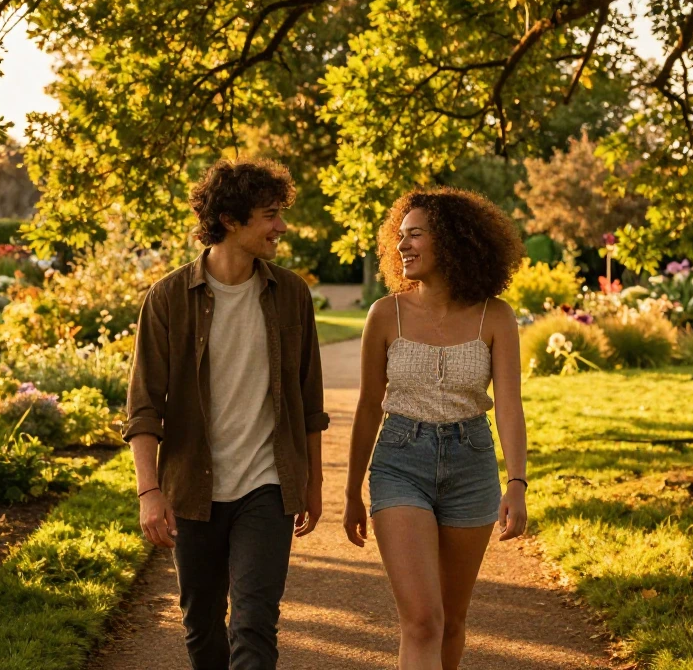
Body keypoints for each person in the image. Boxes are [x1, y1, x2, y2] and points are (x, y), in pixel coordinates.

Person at [124, 158, 327, 670]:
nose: (280, 226)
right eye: (270, 215)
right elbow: (144, 405)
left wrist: (313, 481)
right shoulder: (169, 297)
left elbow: (309, 401)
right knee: (201, 623)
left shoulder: (291, 294)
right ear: (232, 220)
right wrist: (150, 492)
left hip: (267, 484)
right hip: (193, 488)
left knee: (254, 622)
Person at [342, 187, 529, 669]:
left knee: (452, 620)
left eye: (416, 235)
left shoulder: (496, 316)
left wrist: (517, 484)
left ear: (451, 241)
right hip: (400, 461)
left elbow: (509, 405)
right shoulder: (386, 314)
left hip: (472, 464)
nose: (403, 246)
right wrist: (350, 492)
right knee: (422, 620)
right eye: (399, 237)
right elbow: (368, 407)